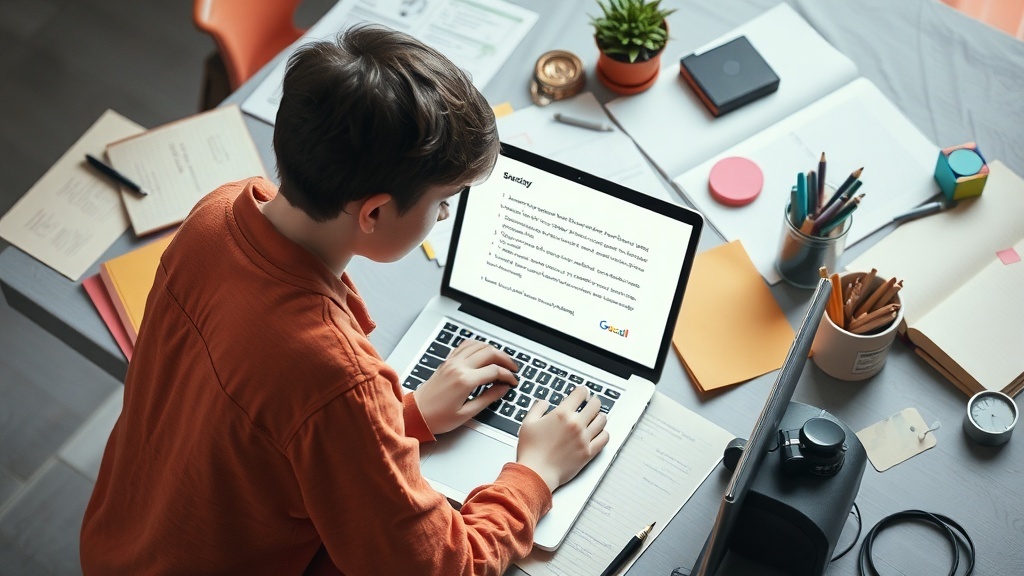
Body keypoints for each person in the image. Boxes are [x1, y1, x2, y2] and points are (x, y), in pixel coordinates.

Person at [80, 25, 609, 575]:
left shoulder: (215, 214)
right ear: (374, 214)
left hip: (121, 544)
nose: (447, 215)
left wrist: (404, 417)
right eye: (444, 201)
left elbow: (262, 420)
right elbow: (443, 568)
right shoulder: (336, 378)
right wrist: (535, 476)